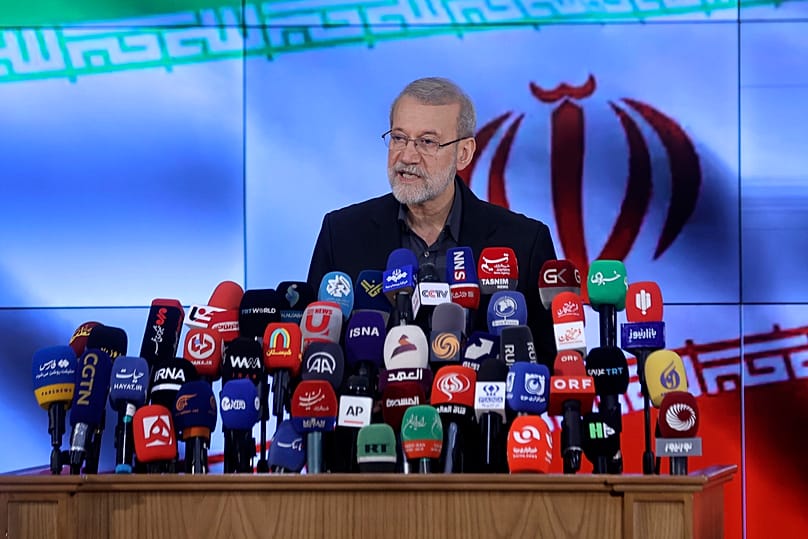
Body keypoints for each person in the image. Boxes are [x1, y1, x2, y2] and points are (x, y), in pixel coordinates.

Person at [307, 77, 558, 365]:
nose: (408, 156)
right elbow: (317, 356)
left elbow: (546, 365)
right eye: (399, 138)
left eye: (427, 142)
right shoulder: (341, 234)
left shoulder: (523, 243)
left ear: (463, 153)